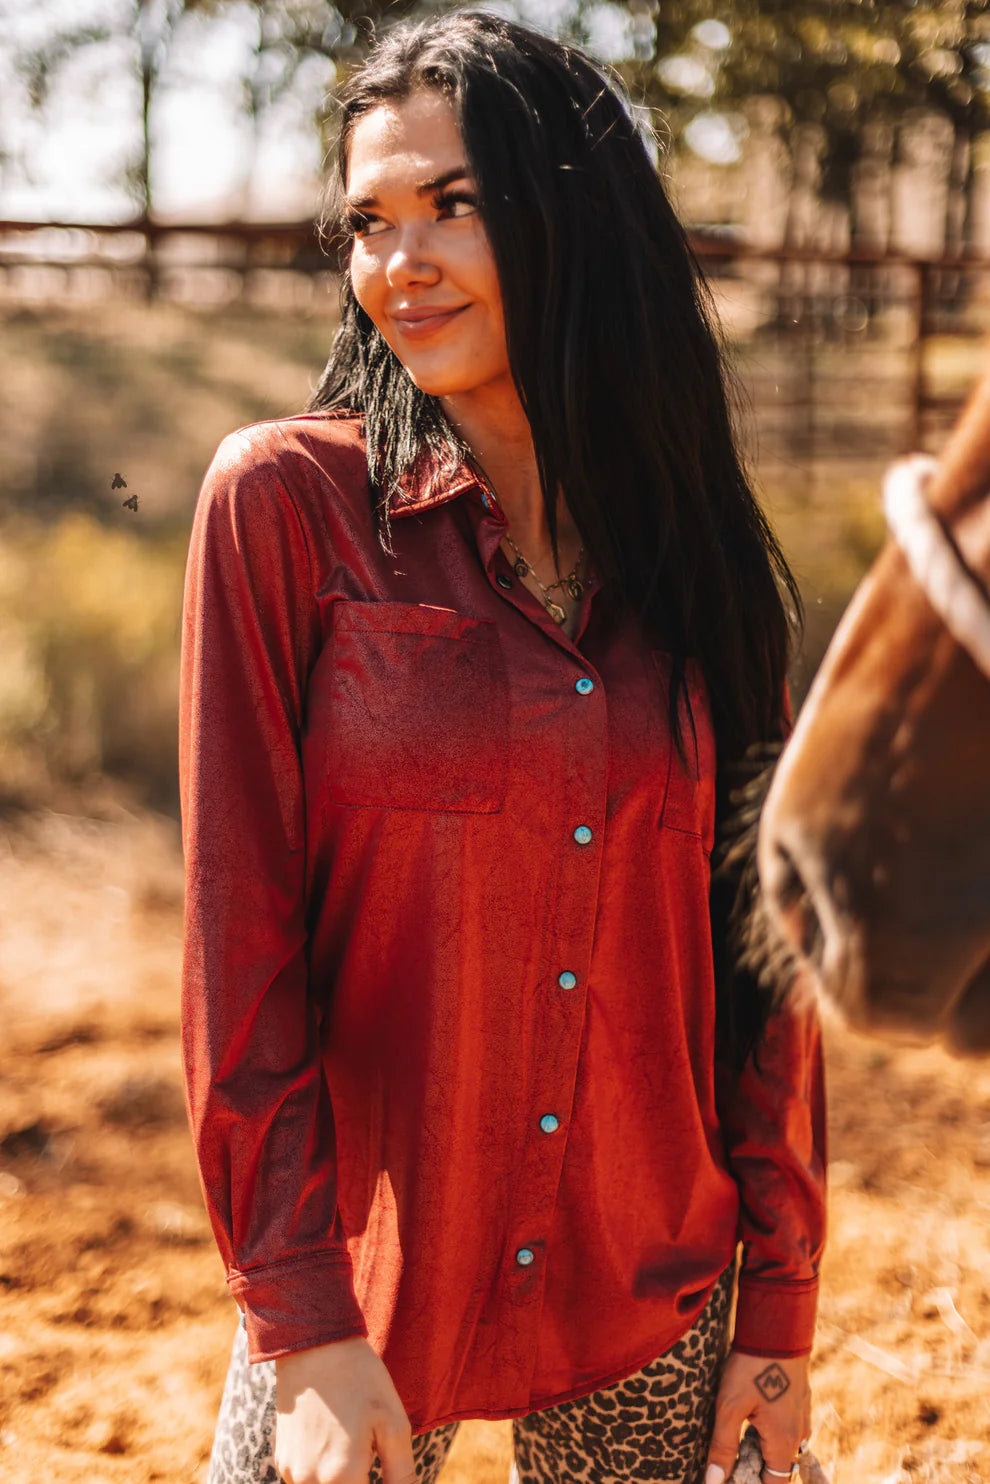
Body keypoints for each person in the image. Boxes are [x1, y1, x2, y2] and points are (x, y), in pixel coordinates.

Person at [178, 14, 826, 1484]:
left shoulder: (704, 567)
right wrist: (300, 1322)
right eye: (368, 221)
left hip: (657, 1290)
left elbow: (757, 974)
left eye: (453, 207)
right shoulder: (286, 507)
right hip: (364, 1292)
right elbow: (241, 943)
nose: (399, 261)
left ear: (572, 219)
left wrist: (775, 1307)